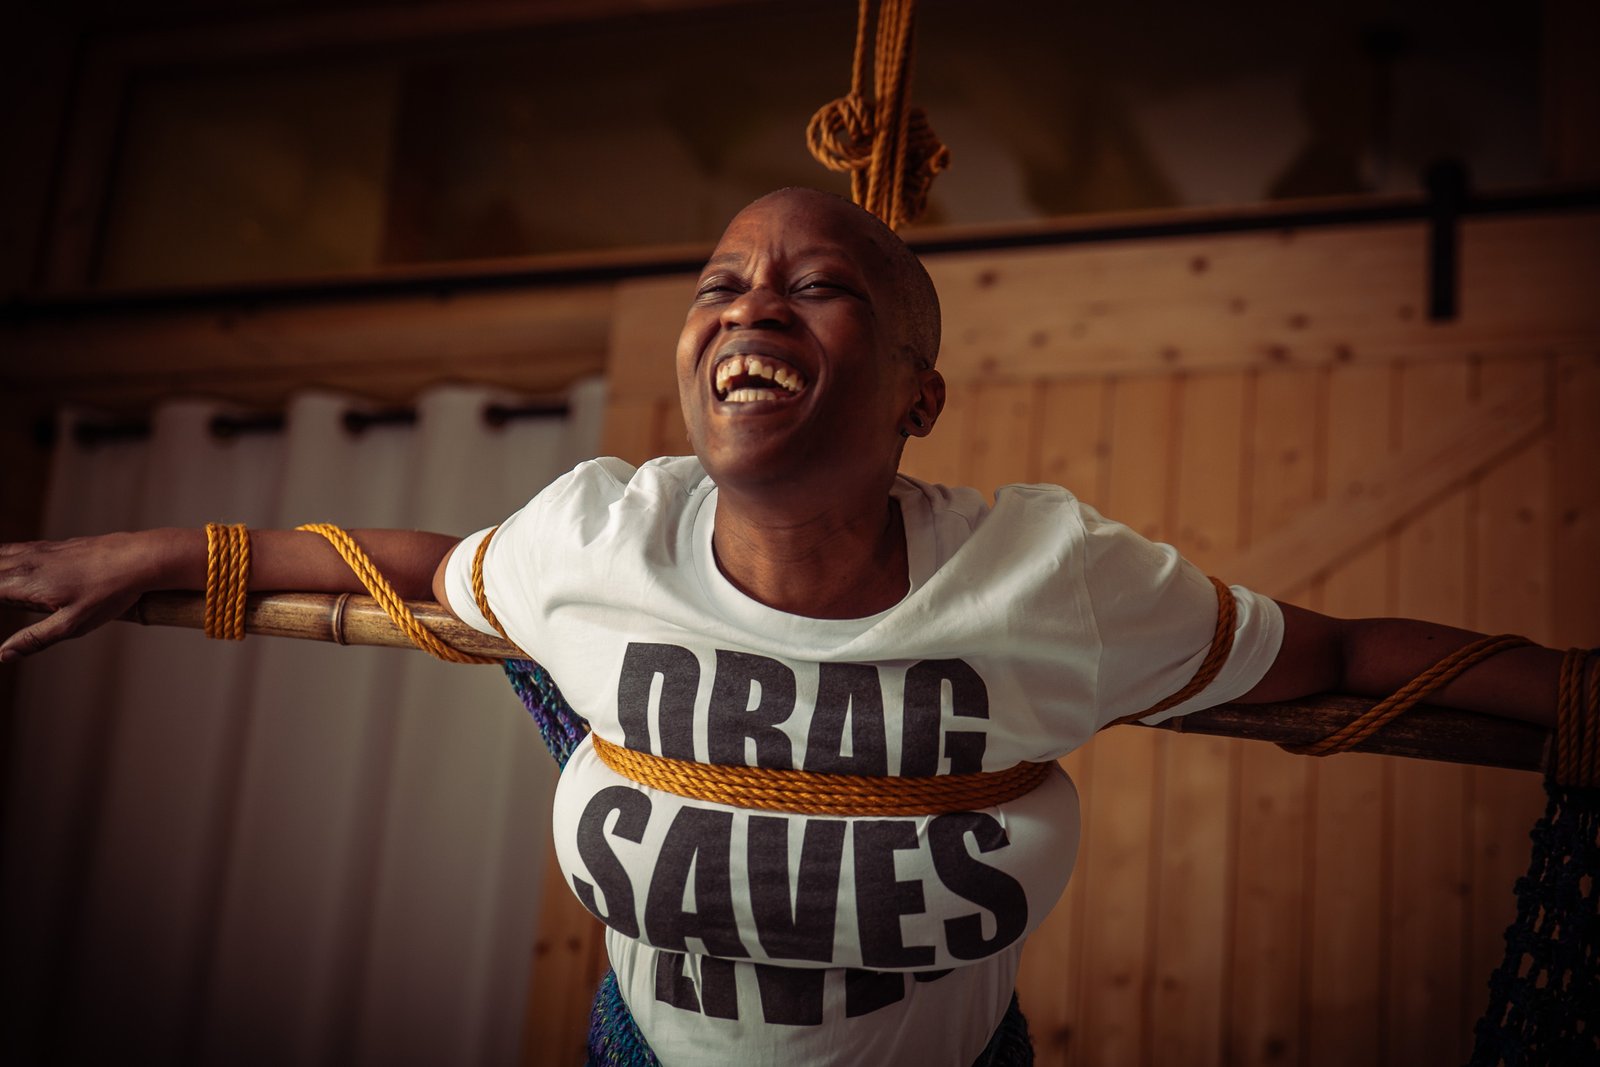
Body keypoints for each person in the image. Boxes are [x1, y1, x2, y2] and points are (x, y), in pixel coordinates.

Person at [0, 188, 1575, 1066]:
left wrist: (1571, 688)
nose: (748, 305)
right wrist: (152, 551)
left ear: (916, 392)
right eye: (720, 282)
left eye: (815, 287)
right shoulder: (597, 537)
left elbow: (1350, 658)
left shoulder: (1054, 578)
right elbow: (408, 567)